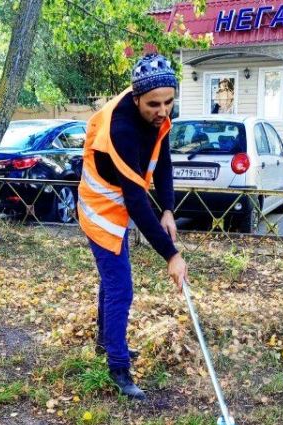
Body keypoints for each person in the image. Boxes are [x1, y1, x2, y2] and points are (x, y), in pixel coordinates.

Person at [78, 53, 189, 400]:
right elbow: (137, 202)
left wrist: (168, 209)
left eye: (169, 102)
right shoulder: (122, 129)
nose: (163, 110)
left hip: (122, 198)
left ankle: (106, 342)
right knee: (121, 287)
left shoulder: (159, 113)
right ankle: (118, 367)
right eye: (154, 104)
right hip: (100, 207)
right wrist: (171, 255)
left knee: (112, 283)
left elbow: (164, 161)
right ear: (136, 97)